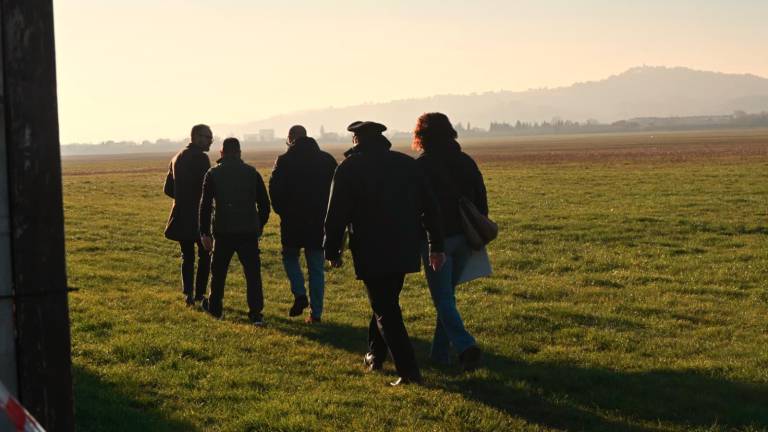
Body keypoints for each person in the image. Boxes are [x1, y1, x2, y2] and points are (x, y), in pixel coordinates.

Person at [324, 121, 446, 386]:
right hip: (404, 246)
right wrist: (436, 244)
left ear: (356, 140)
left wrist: (332, 248)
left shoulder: (349, 168)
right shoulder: (407, 164)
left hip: (370, 247)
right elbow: (430, 207)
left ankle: (409, 371)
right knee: (386, 301)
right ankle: (375, 355)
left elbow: (336, 214)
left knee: (385, 310)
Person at [412, 112, 487, 371]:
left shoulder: (421, 166)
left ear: (421, 135)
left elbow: (416, 207)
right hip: (465, 238)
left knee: (443, 299)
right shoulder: (466, 161)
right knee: (447, 298)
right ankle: (439, 355)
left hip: (436, 242)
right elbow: (481, 200)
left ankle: (465, 346)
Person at [198, 138, 270, 325]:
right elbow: (264, 204)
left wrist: (205, 232)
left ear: (221, 153)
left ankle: (215, 308)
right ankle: (255, 312)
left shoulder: (213, 173)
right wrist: (258, 224)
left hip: (223, 231)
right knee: (252, 274)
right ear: (239, 152)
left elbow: (205, 206)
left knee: (218, 272)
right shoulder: (252, 173)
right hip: (248, 232)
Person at [269, 125, 338, 323]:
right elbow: (337, 190)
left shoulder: (284, 160)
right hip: (319, 222)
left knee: (290, 258)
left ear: (290, 138)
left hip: (292, 222)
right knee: (316, 268)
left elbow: (274, 189)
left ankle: (300, 293)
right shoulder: (327, 160)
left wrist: (283, 211)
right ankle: (315, 314)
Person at [163, 124, 213, 306]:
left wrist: (182, 199)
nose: (210, 141)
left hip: (181, 214)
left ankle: (188, 295)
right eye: (208, 137)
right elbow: (207, 189)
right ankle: (199, 294)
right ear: (196, 137)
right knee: (205, 254)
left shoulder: (176, 157)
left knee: (187, 256)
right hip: (199, 215)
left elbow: (168, 189)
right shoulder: (201, 158)